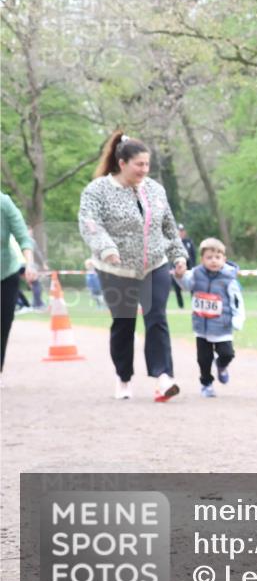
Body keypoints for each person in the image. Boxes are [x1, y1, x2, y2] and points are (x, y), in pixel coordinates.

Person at [78, 131, 187, 401]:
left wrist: (179, 255)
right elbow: (89, 223)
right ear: (122, 163)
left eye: (147, 164)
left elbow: (168, 226)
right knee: (124, 323)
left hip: (154, 265)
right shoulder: (98, 190)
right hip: (116, 270)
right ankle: (124, 377)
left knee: (157, 317)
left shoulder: (154, 189)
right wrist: (107, 248)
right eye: (139, 164)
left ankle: (163, 377)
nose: (144, 170)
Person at [174, 238, 245, 397]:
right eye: (209, 257)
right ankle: (206, 384)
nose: (213, 261)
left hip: (223, 325)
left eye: (217, 257)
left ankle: (221, 365)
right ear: (202, 259)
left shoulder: (228, 279)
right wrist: (179, 276)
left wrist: (238, 319)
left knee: (227, 353)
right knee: (203, 360)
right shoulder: (196, 274)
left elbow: (237, 300)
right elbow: (186, 285)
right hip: (202, 327)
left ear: (224, 259)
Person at [1, 192, 38, 371]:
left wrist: (30, 264)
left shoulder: (4, 202)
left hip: (6, 273)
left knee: (3, 325)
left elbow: (23, 236)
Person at [170, 224, 197, 309]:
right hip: (177, 268)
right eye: (179, 231)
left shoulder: (189, 242)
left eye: (182, 231)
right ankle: (180, 306)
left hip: (188, 268)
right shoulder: (173, 243)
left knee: (193, 287)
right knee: (177, 288)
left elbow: (193, 255)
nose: (180, 233)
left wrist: (193, 267)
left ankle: (194, 304)